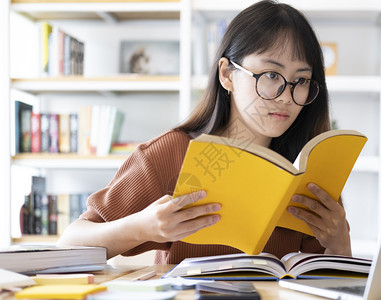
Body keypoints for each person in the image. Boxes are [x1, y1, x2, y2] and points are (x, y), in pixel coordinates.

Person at [58, 0, 352, 264]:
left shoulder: (308, 170)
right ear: (227, 74)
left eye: (300, 80)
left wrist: (339, 243)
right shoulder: (171, 153)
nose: (286, 96)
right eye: (272, 75)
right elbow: (69, 244)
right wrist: (144, 227)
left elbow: (326, 281)